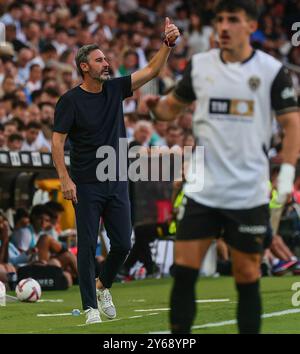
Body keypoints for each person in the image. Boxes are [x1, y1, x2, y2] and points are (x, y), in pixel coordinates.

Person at [146, 0, 300, 334]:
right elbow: (172, 106)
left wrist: (286, 176)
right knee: (184, 272)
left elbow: (292, 124)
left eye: (233, 20)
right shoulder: (200, 65)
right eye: (220, 20)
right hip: (204, 189)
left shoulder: (271, 70)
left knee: (247, 276)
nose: (224, 27)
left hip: (248, 193)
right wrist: (156, 110)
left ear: (251, 26)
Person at [51, 18, 180, 324]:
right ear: (84, 67)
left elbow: (151, 71)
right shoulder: (69, 101)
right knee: (87, 246)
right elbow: (57, 144)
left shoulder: (114, 89)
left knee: (123, 243)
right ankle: (89, 308)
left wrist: (167, 45)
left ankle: (103, 285)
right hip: (85, 183)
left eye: (106, 58)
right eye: (99, 60)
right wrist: (65, 179)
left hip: (117, 179)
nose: (106, 63)